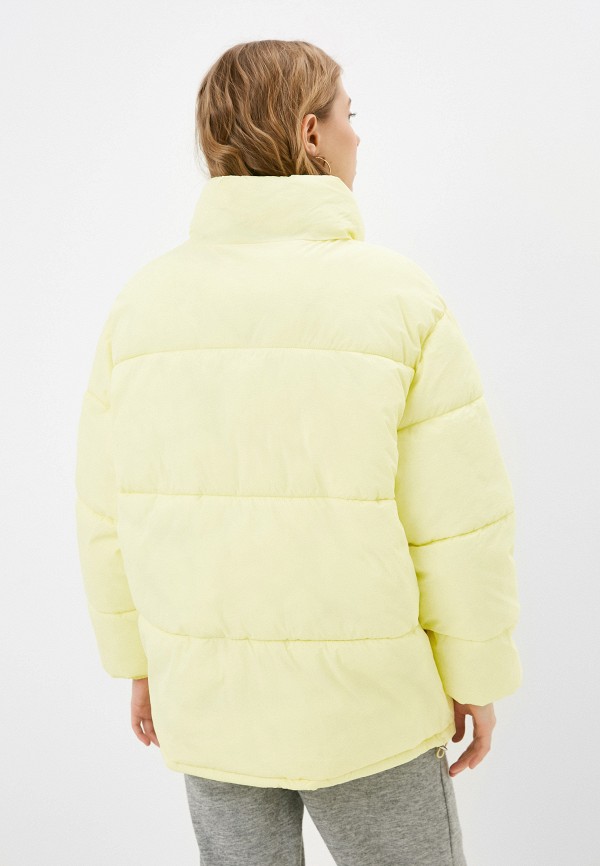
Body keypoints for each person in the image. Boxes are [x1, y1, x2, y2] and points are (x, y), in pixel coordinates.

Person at [74, 38, 522, 866]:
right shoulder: (398, 297)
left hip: (209, 703)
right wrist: (475, 674)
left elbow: (107, 517)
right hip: (369, 713)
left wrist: (140, 663)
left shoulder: (142, 306)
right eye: (350, 114)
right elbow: (458, 522)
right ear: (312, 134)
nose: (359, 134)